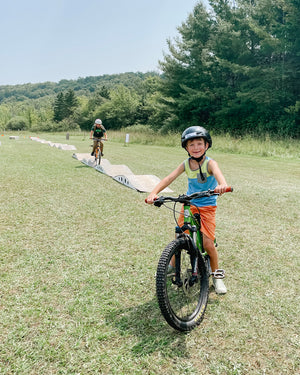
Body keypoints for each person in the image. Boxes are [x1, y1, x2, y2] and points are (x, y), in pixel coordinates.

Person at [146, 126, 229, 294]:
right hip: (189, 204)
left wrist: (222, 185)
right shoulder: (185, 164)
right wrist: (154, 192)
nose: (196, 147)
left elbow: (221, 177)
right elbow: (169, 178)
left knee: (207, 244)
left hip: (206, 207)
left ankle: (216, 275)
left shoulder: (210, 163)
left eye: (200, 143)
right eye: (191, 145)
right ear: (186, 148)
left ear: (207, 145)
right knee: (180, 236)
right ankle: (171, 265)